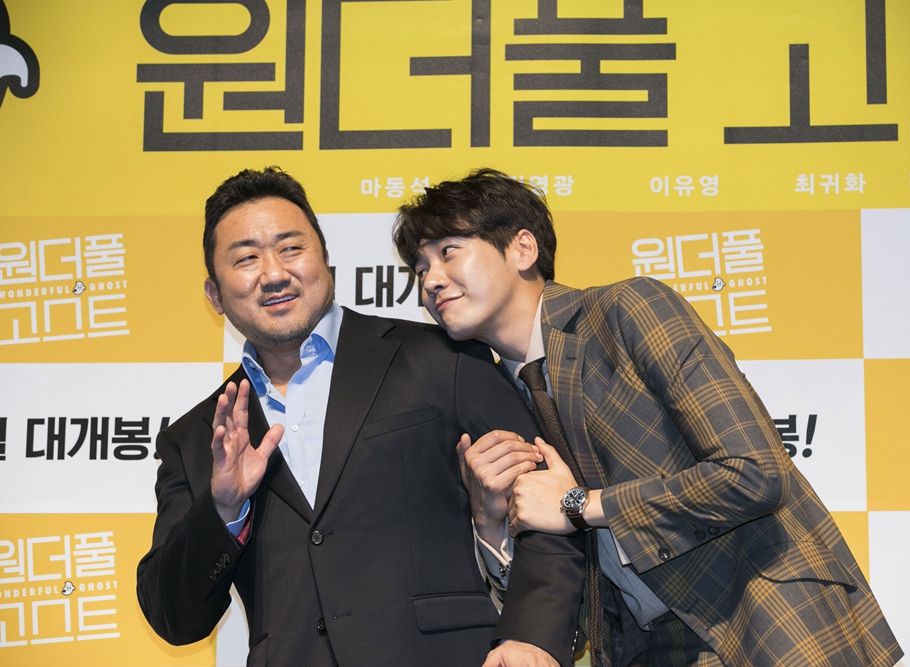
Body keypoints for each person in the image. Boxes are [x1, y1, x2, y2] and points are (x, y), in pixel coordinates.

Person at [392, 168, 905, 667]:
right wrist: (491, 524)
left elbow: (754, 473)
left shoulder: (626, 310)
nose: (431, 281)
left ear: (522, 249)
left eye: (448, 252)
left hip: (760, 618)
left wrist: (580, 504)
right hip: (644, 647)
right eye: (419, 269)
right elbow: (565, 602)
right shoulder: (491, 399)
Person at [135, 167, 585, 667]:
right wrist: (223, 509)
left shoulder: (441, 358)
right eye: (246, 258)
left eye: (291, 248)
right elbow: (173, 618)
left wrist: (532, 636)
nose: (274, 273)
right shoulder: (196, 438)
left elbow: (547, 501)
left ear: (325, 260)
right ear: (215, 295)